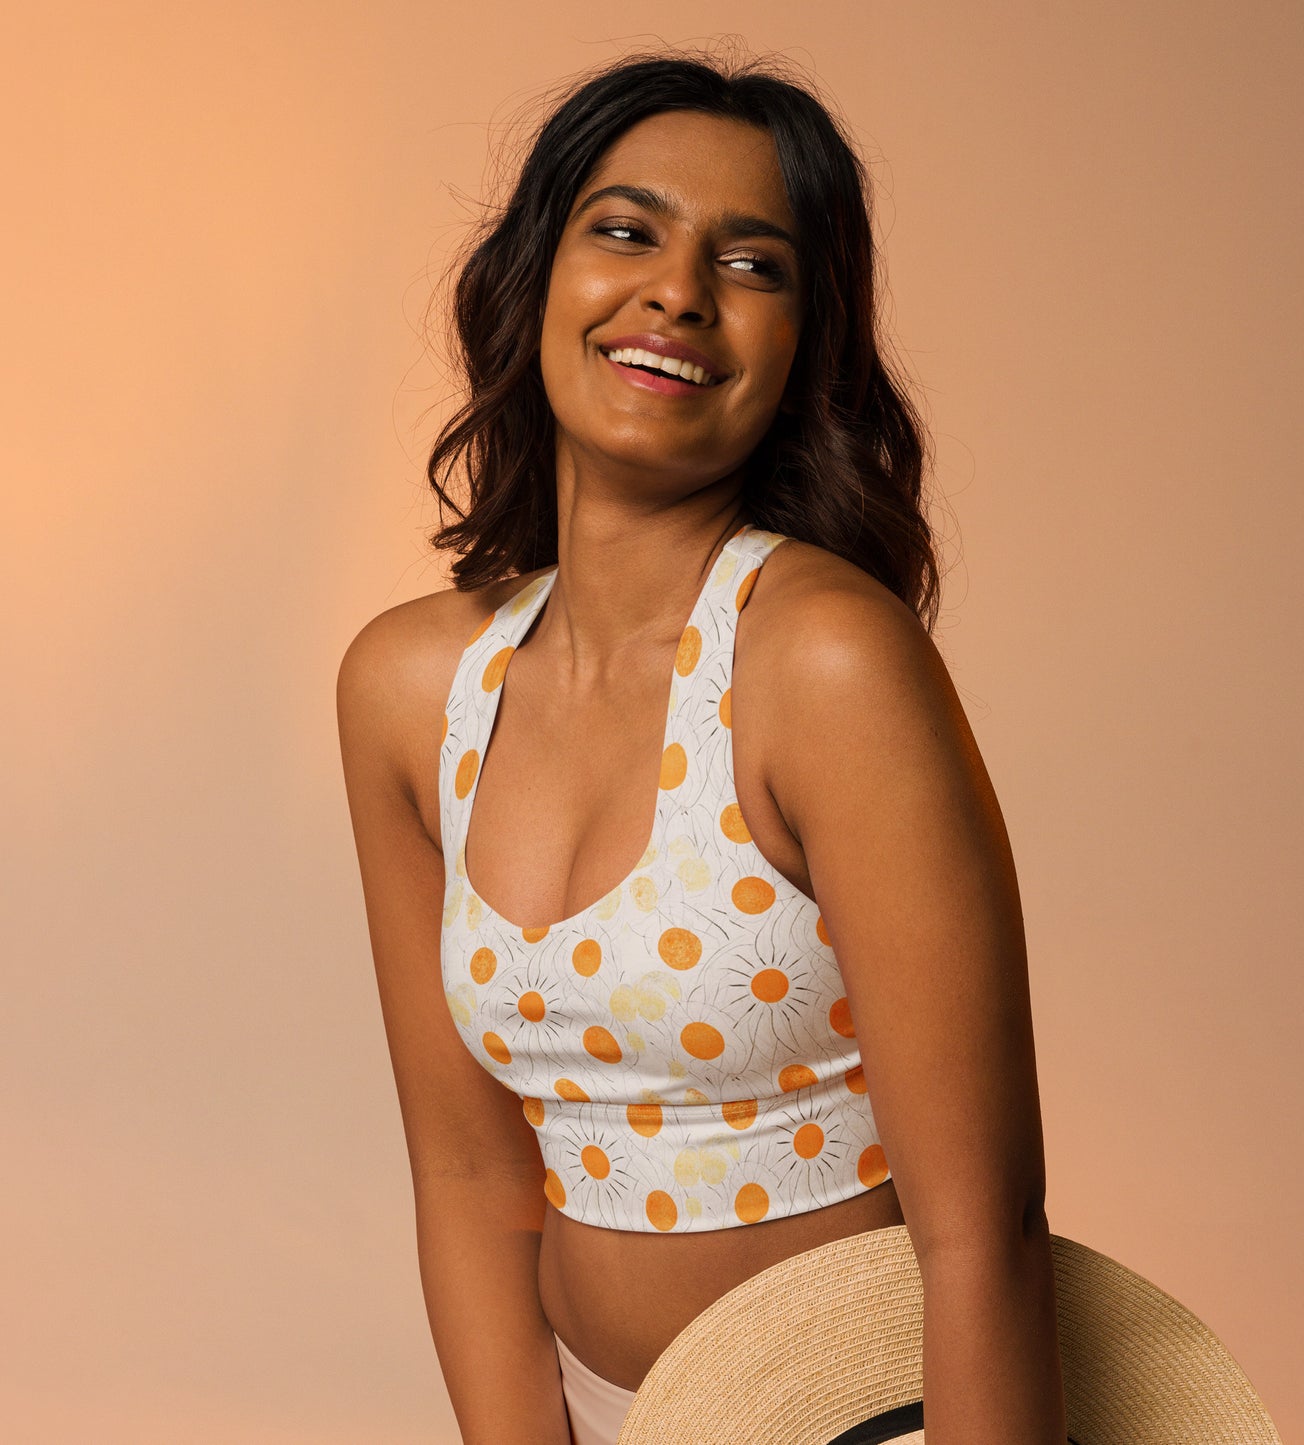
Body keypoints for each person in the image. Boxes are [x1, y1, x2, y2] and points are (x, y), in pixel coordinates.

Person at [337, 48, 1066, 1445]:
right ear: (533, 281)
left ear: (804, 350)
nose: (677, 290)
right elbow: (469, 1178)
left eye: (751, 264)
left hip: (883, 1417)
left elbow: (984, 1225)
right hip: (598, 1412)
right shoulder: (410, 688)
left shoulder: (825, 661)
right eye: (626, 232)